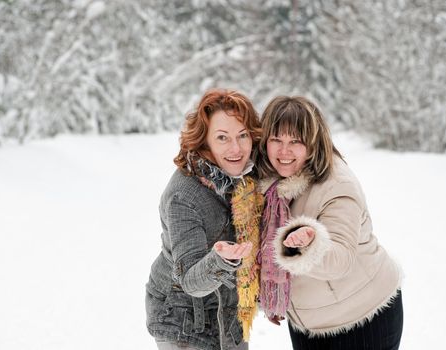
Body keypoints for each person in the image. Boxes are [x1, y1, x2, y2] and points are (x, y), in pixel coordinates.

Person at [256, 96, 403, 350]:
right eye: (276, 140)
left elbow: (340, 259)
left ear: (313, 144)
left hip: (362, 319)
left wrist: (306, 246)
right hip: (308, 324)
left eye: (295, 141)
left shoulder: (337, 185)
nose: (284, 151)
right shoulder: (270, 186)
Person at [145, 89, 263, 350]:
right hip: (182, 318)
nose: (236, 148)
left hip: (229, 311)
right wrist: (221, 259)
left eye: (242, 136)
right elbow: (190, 280)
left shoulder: (247, 177)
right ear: (204, 141)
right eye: (222, 138)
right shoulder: (183, 195)